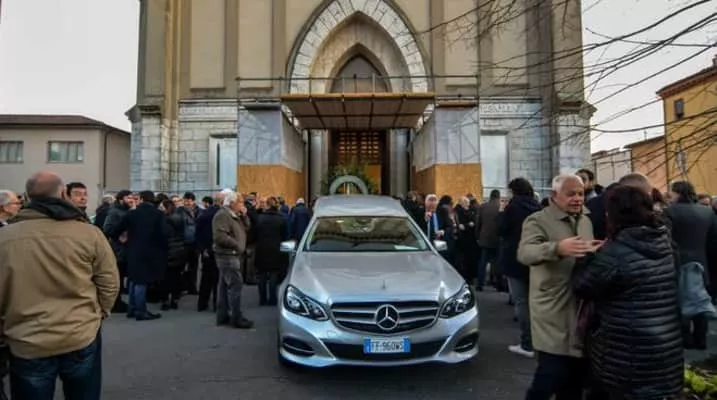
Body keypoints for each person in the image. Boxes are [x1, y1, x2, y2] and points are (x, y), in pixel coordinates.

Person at [0, 171, 119, 399]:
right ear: (63, 193)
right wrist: (100, 312)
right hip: (79, 332)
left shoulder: (5, 238)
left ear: (26, 197)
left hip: (26, 338)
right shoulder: (88, 233)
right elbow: (109, 281)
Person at [573, 185, 683, 399]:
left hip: (625, 354)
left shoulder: (614, 254)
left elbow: (582, 286)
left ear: (614, 215)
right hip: (666, 348)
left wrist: (586, 256)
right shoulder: (665, 242)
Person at [517, 174, 598, 399]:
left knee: (575, 378)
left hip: (579, 308)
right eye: (571, 194)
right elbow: (525, 253)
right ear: (555, 195)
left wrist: (594, 250)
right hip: (552, 309)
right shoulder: (537, 220)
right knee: (549, 374)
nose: (577, 198)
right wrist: (557, 249)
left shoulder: (586, 220)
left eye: (580, 193)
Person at [665, 181, 717, 349]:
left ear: (677, 193)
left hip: (676, 263)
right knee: (700, 301)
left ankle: (685, 337)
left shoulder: (669, 212)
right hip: (702, 264)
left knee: (680, 302)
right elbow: (713, 242)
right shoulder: (707, 212)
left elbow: (666, 240)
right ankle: (701, 338)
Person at [107, 190, 167, 321]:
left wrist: (121, 239)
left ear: (141, 199)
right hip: (151, 251)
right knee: (142, 282)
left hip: (133, 250)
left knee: (134, 280)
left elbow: (114, 230)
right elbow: (163, 234)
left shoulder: (132, 214)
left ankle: (132, 309)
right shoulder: (158, 214)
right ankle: (141, 311)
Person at [499, 178, 542, 358]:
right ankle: (540, 341)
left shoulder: (512, 208)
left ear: (514, 191)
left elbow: (501, 230)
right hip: (535, 258)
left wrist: (502, 212)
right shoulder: (538, 207)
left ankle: (527, 344)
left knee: (521, 302)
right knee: (535, 302)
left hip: (515, 258)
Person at [213, 191, 254, 329]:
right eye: (240, 202)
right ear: (232, 203)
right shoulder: (222, 215)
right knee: (235, 286)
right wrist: (237, 245)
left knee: (224, 287)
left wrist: (244, 215)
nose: (242, 204)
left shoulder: (235, 215)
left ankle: (223, 316)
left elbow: (247, 227)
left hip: (233, 255)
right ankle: (236, 317)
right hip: (228, 255)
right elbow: (220, 236)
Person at [102, 190, 135, 313]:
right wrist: (119, 236)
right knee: (118, 277)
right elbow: (107, 229)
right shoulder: (114, 211)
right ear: (121, 199)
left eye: (132, 197)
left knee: (122, 277)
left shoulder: (127, 210)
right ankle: (115, 303)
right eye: (128, 198)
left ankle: (118, 302)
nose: (131, 200)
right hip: (118, 250)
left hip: (125, 249)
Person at [254, 197, 288, 305]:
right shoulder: (281, 218)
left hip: (261, 248)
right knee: (274, 273)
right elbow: (285, 235)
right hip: (275, 248)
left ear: (267, 205)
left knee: (262, 274)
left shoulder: (259, 218)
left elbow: (255, 233)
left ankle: (262, 299)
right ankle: (272, 298)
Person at [196, 194, 221, 312]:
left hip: (206, 250)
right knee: (218, 279)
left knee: (206, 278)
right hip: (218, 249)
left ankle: (202, 303)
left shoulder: (204, 214)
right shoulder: (222, 215)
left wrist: (202, 249)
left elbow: (198, 233)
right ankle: (217, 304)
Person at [159, 199, 186, 311]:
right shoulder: (180, 218)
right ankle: (175, 299)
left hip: (167, 251)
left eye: (161, 207)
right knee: (176, 276)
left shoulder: (164, 220)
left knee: (164, 278)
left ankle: (165, 300)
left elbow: (162, 236)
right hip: (179, 250)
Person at [475, 190, 501, 290]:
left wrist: (477, 236)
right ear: (498, 197)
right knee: (497, 262)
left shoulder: (483, 206)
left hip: (484, 238)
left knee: (483, 261)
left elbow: (478, 222)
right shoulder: (500, 207)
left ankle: (480, 284)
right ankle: (498, 283)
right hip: (497, 238)